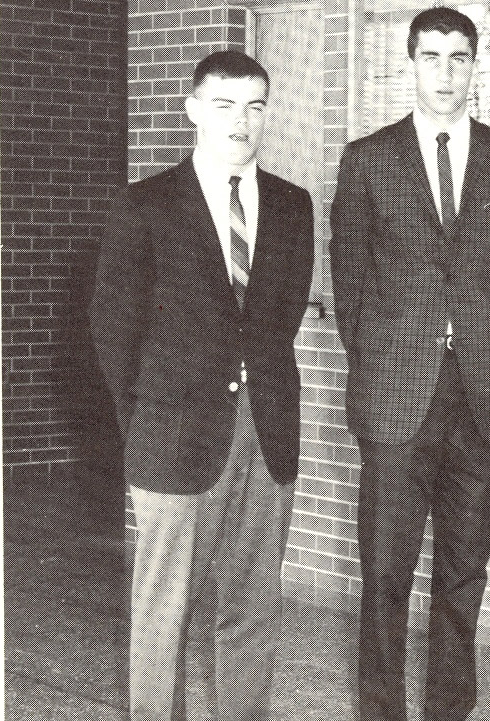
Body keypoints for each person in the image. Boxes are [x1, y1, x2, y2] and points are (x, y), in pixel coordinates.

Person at [329, 6, 490, 721]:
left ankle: (451, 709)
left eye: (459, 57)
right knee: (385, 573)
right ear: (409, 63)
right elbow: (349, 279)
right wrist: (388, 357)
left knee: (463, 573)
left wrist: (479, 345)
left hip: (477, 393)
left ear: (475, 66)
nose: (445, 72)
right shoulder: (368, 159)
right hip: (395, 398)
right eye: (431, 56)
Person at [90, 50, 314, 721]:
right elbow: (112, 327)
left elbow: (282, 316)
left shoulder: (292, 205)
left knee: (253, 607)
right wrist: (148, 424)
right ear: (193, 110)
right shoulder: (146, 204)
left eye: (255, 106)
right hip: (172, 435)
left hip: (266, 431)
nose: (241, 121)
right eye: (224, 105)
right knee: (165, 612)